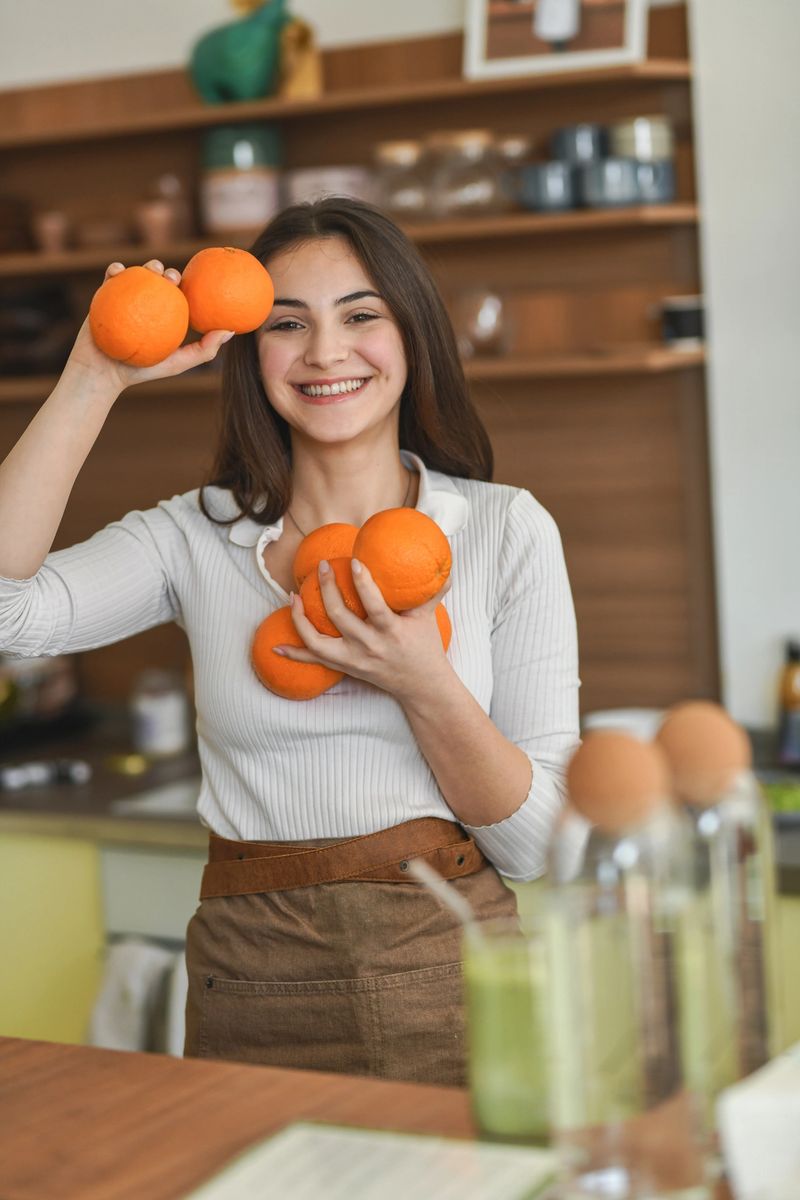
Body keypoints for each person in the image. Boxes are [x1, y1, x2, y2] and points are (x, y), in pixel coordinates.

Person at [0, 197, 580, 1086]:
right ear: (248, 351)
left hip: (454, 975)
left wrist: (423, 680)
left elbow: (537, 846)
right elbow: (9, 611)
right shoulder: (195, 537)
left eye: (360, 316)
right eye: (286, 324)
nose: (325, 353)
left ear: (411, 335)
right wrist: (94, 377)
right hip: (250, 983)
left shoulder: (504, 532)